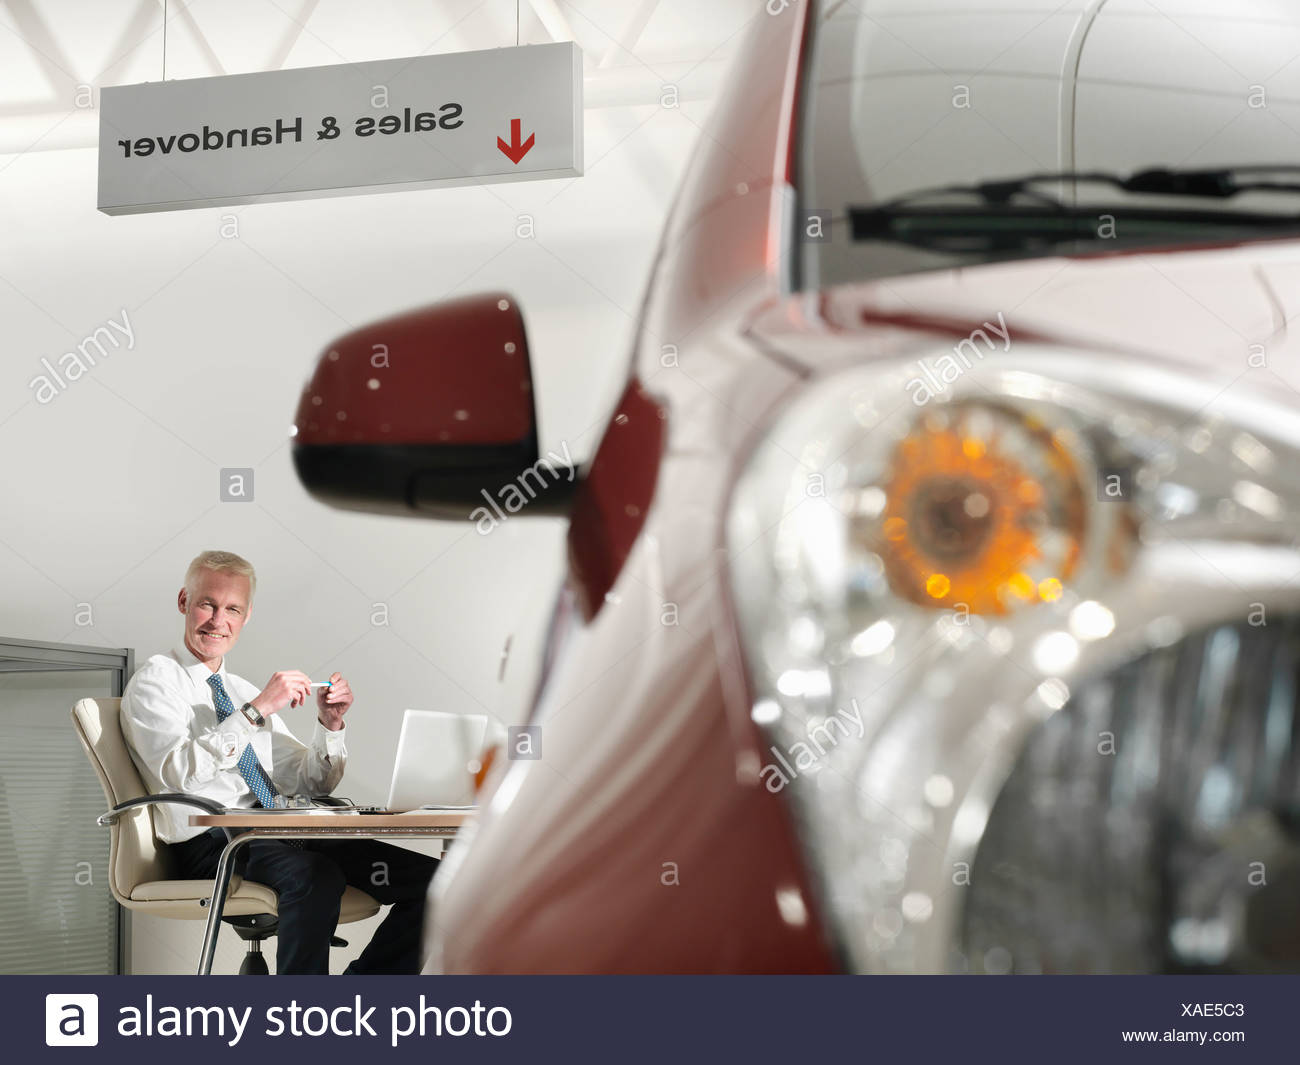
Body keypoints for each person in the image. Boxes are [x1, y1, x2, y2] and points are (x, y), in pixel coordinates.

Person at [121, 549, 437, 974]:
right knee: (316, 875)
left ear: (246, 615)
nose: (218, 621)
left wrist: (330, 725)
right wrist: (255, 711)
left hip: (279, 834)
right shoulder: (156, 682)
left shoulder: (237, 689)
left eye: (232, 608)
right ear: (184, 602)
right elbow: (179, 775)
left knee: (439, 883)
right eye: (207, 604)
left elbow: (312, 784)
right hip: (215, 846)